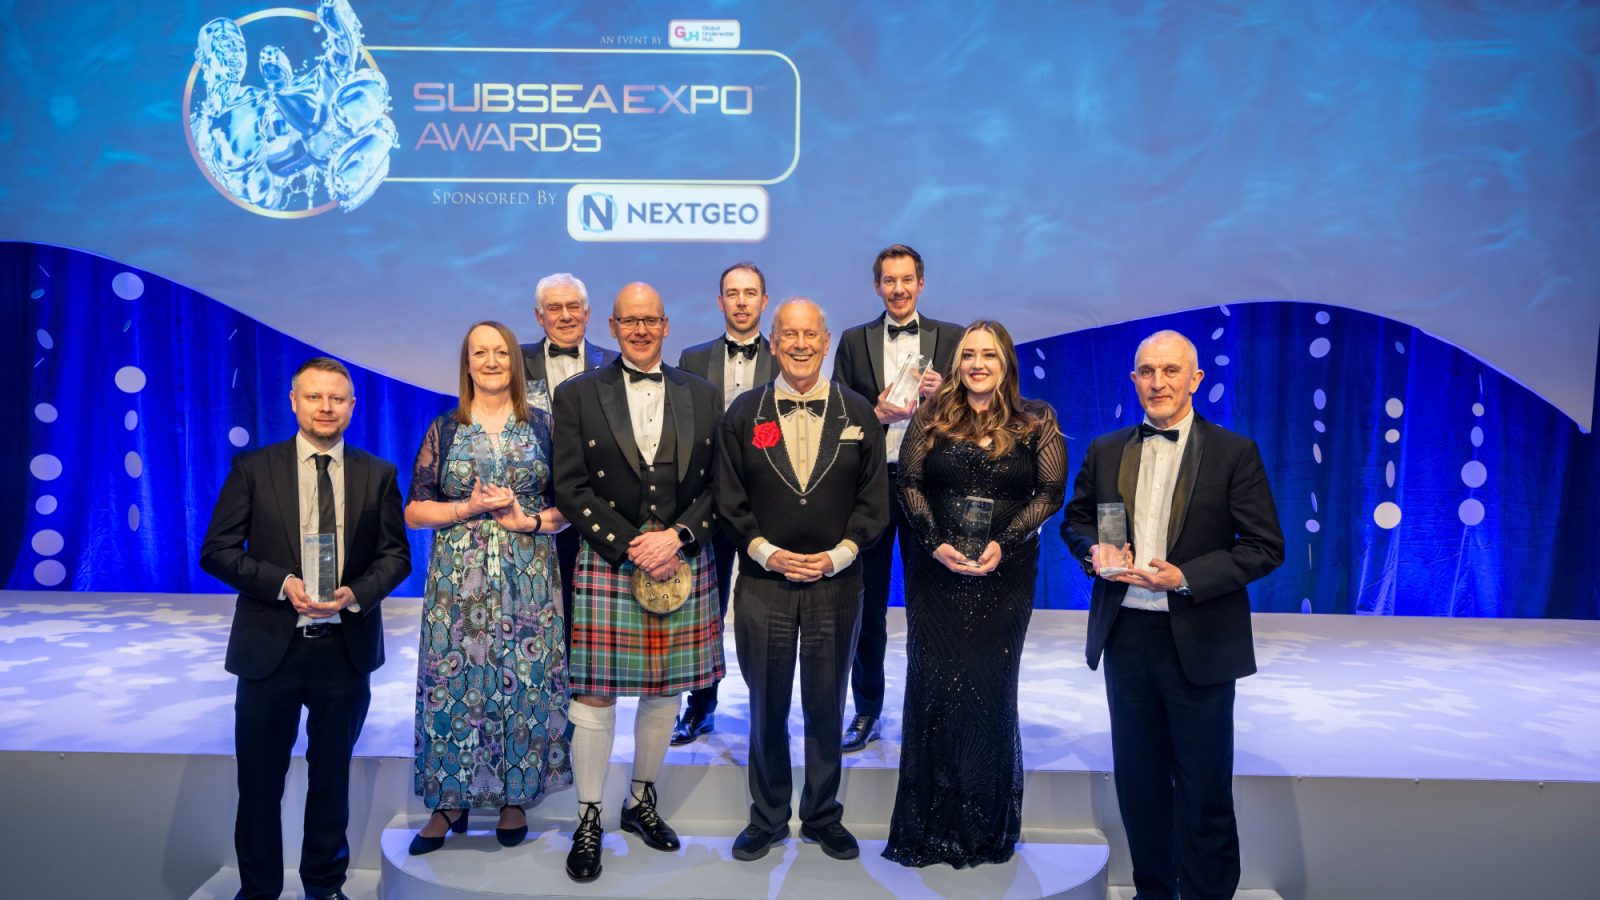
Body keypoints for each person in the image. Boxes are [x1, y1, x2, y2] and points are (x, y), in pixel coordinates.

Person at [1061, 329, 1284, 900]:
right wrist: (1095, 551)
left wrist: (1187, 577)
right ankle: (1153, 892)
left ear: (1195, 379)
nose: (1157, 382)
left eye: (1169, 371)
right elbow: (1077, 520)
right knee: (1139, 786)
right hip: (1127, 637)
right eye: (1145, 371)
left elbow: (1264, 545)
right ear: (1133, 378)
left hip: (1201, 639)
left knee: (1204, 788)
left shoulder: (1235, 452)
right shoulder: (1106, 448)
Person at [200, 357, 411, 900]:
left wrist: (357, 595)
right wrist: (280, 582)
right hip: (270, 649)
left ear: (352, 407)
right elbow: (217, 552)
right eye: (314, 397)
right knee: (260, 785)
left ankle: (324, 887)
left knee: (331, 780)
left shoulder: (378, 473)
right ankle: (258, 891)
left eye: (336, 398)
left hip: (344, 650)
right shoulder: (254, 467)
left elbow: (396, 557)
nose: (325, 407)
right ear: (293, 401)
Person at [552, 282, 725, 883]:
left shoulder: (701, 393)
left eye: (651, 320)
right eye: (630, 321)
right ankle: (590, 815)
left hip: (680, 552)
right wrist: (630, 542)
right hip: (611, 554)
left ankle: (640, 801)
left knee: (662, 692)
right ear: (614, 324)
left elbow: (718, 487)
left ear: (667, 324)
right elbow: (570, 486)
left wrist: (677, 537)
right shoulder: (577, 393)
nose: (641, 330)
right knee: (595, 695)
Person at [883, 320, 1066, 868]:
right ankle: (928, 827)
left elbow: (1050, 491)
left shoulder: (1038, 420)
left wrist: (1004, 544)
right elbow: (908, 483)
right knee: (935, 687)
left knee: (989, 689)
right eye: (969, 354)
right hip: (935, 572)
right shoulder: (930, 415)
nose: (978, 364)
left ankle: (986, 828)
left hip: (1004, 576)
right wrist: (934, 542)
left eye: (989, 354)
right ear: (958, 361)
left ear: (1006, 361)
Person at [716, 298, 889, 862]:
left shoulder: (859, 412)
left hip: (836, 583)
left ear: (826, 339)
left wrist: (838, 555)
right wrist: (766, 553)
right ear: (772, 342)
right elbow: (729, 499)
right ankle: (766, 816)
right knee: (766, 704)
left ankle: (820, 815)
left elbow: (873, 502)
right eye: (787, 334)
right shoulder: (745, 412)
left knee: (825, 702)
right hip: (764, 583)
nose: (798, 344)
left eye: (809, 335)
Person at [403, 321, 573, 854]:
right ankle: (448, 804)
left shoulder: (544, 426)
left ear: (515, 362)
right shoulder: (445, 428)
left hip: (530, 578)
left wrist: (530, 521)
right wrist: (467, 507)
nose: (493, 360)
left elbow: (570, 506)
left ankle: (514, 797)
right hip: (459, 584)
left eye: (501, 351)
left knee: (523, 679)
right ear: (468, 362)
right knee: (455, 685)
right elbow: (413, 509)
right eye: (482, 352)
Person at [830, 243, 960, 751]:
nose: (899, 289)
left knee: (933, 602)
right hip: (874, 485)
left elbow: (974, 406)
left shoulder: (951, 338)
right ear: (877, 285)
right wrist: (876, 415)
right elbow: (838, 413)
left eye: (907, 280)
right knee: (869, 605)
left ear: (921, 283)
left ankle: (935, 709)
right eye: (889, 280)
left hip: (933, 484)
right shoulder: (852, 340)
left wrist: (943, 390)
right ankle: (866, 710)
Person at [672, 261, 777, 745]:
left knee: (764, 612)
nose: (740, 301)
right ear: (720, 302)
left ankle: (767, 705)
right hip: (709, 504)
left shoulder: (787, 359)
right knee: (703, 612)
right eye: (732, 293)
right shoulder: (692, 359)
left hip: (767, 508)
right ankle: (700, 705)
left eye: (749, 293)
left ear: (763, 301)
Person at [519, 273, 619, 660]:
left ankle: (583, 694)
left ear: (588, 313)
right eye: (554, 308)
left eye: (573, 306)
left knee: (589, 614)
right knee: (534, 613)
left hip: (595, 503)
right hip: (532, 507)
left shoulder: (612, 363)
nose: (565, 316)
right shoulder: (513, 361)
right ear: (539, 316)